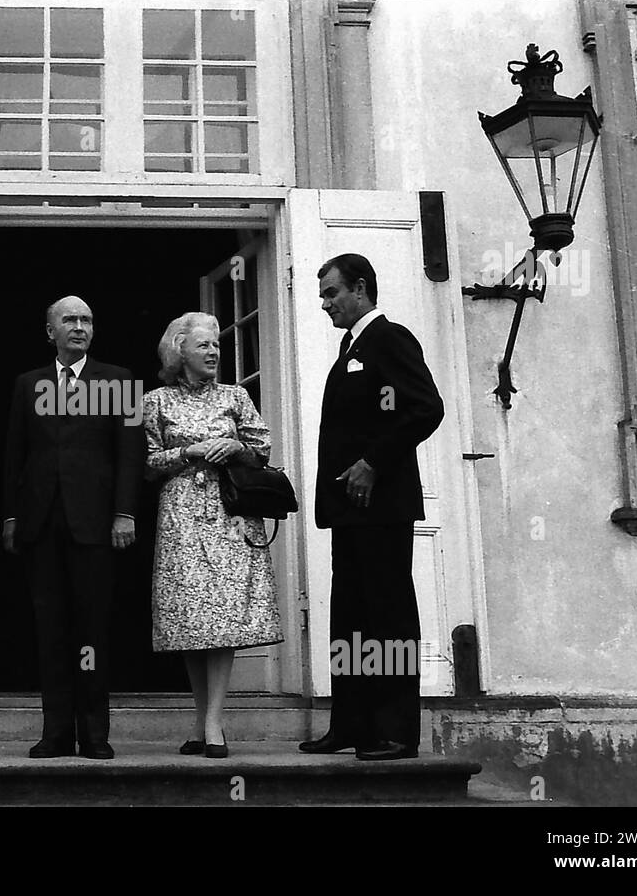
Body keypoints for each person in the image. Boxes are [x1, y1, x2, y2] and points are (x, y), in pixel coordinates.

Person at [300, 253, 443, 761]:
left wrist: (373, 462)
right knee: (352, 617)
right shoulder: (350, 348)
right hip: (350, 510)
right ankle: (352, 724)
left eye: (331, 294)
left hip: (382, 505)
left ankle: (396, 732)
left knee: (388, 616)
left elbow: (427, 407)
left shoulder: (390, 338)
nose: (325, 304)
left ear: (360, 289)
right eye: (322, 296)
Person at [3, 296, 144, 760]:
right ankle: (56, 733)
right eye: (70, 320)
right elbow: (14, 457)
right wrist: (11, 516)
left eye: (87, 319)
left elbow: (131, 453)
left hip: (96, 524)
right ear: (50, 331)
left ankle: (95, 734)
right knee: (49, 629)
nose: (80, 327)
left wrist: (125, 513)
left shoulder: (120, 381)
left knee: (92, 630)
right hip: (42, 523)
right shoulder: (29, 384)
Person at [142, 312, 283, 759]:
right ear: (179, 351)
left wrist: (237, 447)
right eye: (203, 345)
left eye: (217, 345)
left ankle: (215, 722)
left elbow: (263, 449)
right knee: (191, 620)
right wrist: (189, 451)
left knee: (222, 618)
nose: (214, 352)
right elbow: (144, 464)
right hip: (181, 512)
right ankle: (202, 719)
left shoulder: (236, 396)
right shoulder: (154, 401)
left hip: (230, 513)